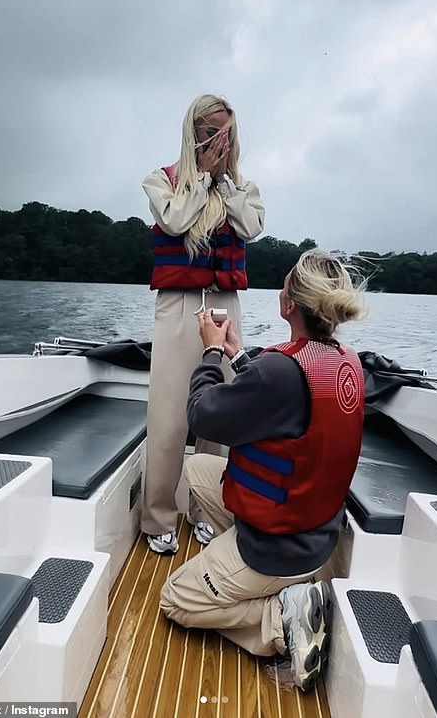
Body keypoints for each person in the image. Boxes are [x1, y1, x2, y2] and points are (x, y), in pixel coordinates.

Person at [159, 248, 366, 691]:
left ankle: (282, 617)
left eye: (285, 283)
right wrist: (237, 357)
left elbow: (203, 415)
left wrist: (212, 354)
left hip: (281, 545)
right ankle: (274, 581)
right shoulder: (346, 360)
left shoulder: (279, 371)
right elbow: (286, 403)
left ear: (290, 303)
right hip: (318, 529)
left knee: (175, 599)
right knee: (198, 469)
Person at [141, 94, 265, 554]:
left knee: (219, 416)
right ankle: (157, 518)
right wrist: (200, 179)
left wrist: (223, 183)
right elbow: (174, 222)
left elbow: (251, 227)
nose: (222, 141)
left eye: (228, 132)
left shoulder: (243, 189)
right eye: (213, 132)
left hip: (223, 306)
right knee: (170, 417)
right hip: (177, 306)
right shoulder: (161, 181)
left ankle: (206, 510)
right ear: (192, 132)